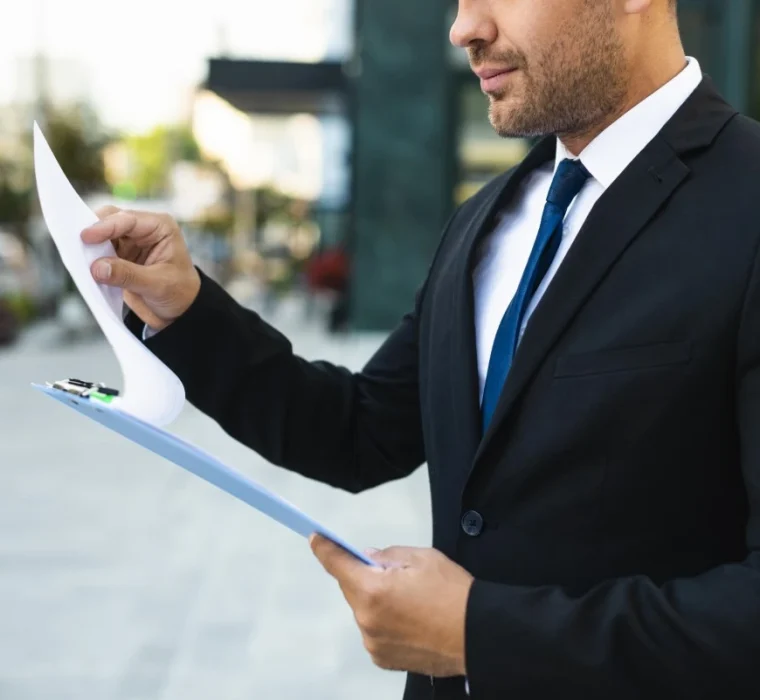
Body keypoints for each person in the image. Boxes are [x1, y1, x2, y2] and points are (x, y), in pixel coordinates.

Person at [81, 0, 760, 697]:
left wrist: (478, 634)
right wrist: (188, 310)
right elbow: (363, 429)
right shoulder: (488, 218)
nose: (464, 28)